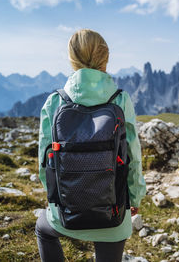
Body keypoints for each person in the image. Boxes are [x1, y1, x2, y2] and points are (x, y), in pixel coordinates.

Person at [35, 29, 146, 262]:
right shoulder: (120, 99)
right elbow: (133, 157)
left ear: (72, 58)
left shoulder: (55, 101)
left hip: (66, 214)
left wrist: (56, 198)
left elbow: (45, 161)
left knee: (44, 230)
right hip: (113, 213)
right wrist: (134, 199)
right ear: (105, 57)